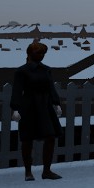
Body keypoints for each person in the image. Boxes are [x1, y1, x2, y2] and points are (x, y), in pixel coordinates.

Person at [10, 41, 65, 180]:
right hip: (29, 106)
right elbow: (17, 90)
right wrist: (15, 108)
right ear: (30, 54)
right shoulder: (21, 71)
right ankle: (28, 172)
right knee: (27, 140)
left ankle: (47, 171)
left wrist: (56, 103)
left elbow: (51, 87)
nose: (41, 56)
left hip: (45, 106)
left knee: (50, 137)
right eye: (38, 53)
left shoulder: (46, 70)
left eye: (43, 53)